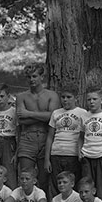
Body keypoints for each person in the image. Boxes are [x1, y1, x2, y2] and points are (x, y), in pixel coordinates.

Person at [16, 64, 60, 194]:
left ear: (42, 76)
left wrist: (29, 114)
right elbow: (20, 119)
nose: (32, 79)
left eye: (34, 76)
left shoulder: (52, 95)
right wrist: (44, 116)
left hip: (46, 138)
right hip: (27, 138)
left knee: (44, 177)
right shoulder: (21, 97)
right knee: (25, 175)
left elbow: (53, 116)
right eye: (29, 77)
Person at [45, 90, 87, 195]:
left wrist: (81, 152)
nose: (65, 100)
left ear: (76, 97)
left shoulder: (82, 113)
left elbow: (84, 136)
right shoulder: (56, 113)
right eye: (63, 97)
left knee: (73, 184)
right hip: (56, 153)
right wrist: (47, 159)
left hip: (73, 155)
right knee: (57, 184)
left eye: (69, 97)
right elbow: (50, 136)